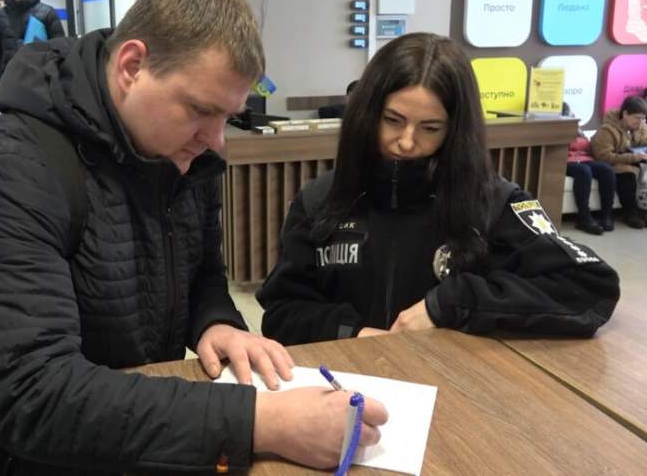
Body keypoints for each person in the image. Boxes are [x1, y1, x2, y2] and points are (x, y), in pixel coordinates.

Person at [0, 0, 387, 475]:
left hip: (118, 442)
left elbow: (200, 272)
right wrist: (260, 421)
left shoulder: (186, 155)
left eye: (228, 116)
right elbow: (30, 394)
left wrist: (215, 321)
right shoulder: (9, 167)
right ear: (132, 66)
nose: (216, 139)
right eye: (201, 110)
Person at [258, 33, 620, 346]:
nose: (406, 142)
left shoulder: (494, 203)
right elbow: (282, 313)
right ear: (367, 114)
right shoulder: (320, 200)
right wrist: (356, 335)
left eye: (430, 128)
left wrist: (449, 304)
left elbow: (589, 286)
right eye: (392, 120)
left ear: (454, 130)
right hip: (346, 382)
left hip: (453, 383)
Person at [0, 0, 65, 81]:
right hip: (10, 79)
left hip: (40, 78)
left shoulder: (47, 12)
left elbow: (60, 48)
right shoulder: (0, 15)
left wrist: (53, 76)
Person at [591, 95, 647, 229]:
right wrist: (634, 157)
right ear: (625, 114)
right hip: (612, 164)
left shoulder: (641, 127)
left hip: (634, 160)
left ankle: (642, 211)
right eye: (637, 118)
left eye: (643, 119)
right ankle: (630, 213)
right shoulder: (606, 130)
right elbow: (604, 157)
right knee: (626, 174)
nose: (640, 122)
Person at [564, 105, 616, 234]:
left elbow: (587, 146)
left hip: (584, 158)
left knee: (606, 170)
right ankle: (583, 217)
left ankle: (606, 215)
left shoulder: (578, 129)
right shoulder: (554, 129)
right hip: (566, 161)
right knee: (584, 171)